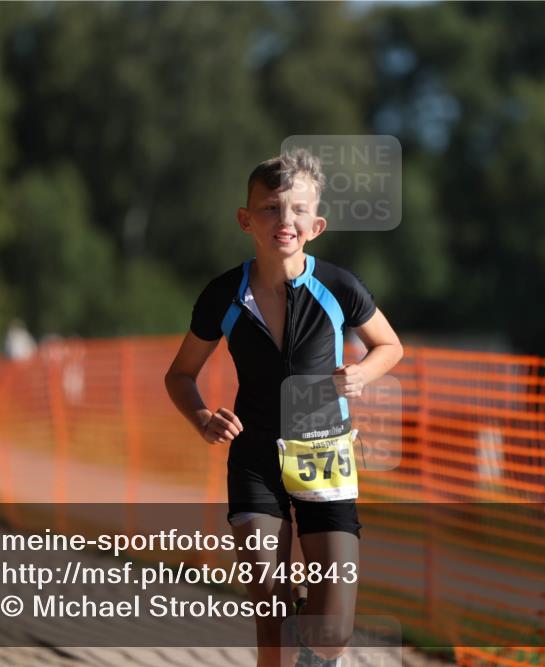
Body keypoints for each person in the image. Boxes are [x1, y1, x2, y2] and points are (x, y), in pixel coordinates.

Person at [165, 149, 403, 667]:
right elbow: (180, 375)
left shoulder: (340, 287)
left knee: (333, 631)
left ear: (316, 225)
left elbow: (391, 346)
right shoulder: (223, 295)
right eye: (271, 209)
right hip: (254, 460)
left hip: (324, 457)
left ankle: (314, 647)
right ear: (245, 219)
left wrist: (361, 373)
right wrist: (203, 416)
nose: (284, 220)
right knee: (270, 613)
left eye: (297, 210)